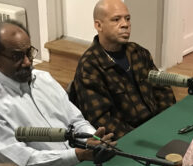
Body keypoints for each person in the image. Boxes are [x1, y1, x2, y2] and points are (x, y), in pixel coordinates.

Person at [0, 21, 115, 166]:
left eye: (29, 52)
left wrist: (94, 139)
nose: (27, 62)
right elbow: (23, 165)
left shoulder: (43, 79)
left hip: (80, 162)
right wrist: (78, 155)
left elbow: (76, 121)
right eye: (16, 56)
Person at [70, 0, 176, 137]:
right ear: (98, 25)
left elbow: (163, 90)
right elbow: (102, 121)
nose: (125, 24)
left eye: (127, 18)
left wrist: (164, 122)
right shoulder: (89, 67)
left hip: (157, 127)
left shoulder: (139, 52)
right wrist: (142, 136)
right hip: (130, 139)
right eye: (116, 19)